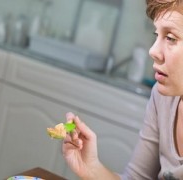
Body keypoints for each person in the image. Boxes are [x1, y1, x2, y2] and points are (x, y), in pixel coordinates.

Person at [62, 0, 183, 179]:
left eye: (171, 38)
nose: (153, 50)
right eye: (157, 34)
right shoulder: (162, 97)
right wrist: (91, 168)